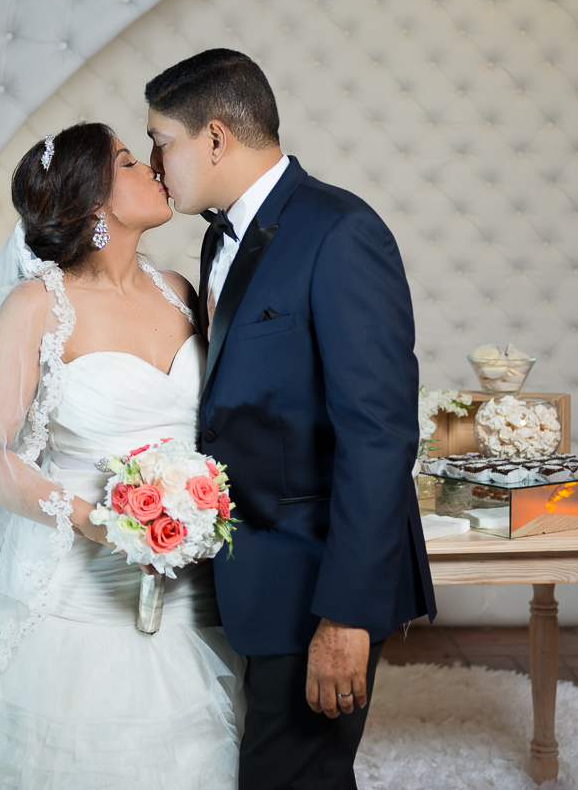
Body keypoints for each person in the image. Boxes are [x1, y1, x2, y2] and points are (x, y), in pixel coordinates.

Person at [0, 122, 245, 790]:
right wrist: (96, 519)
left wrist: (192, 509)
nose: (152, 167)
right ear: (96, 203)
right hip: (77, 590)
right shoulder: (37, 307)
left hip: (188, 576)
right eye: (126, 162)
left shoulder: (181, 290)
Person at [145, 50, 437, 790]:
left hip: (319, 579)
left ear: (214, 139)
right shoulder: (219, 238)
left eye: (162, 141)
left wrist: (345, 615)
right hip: (249, 572)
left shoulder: (341, 233)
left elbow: (379, 435)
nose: (156, 165)